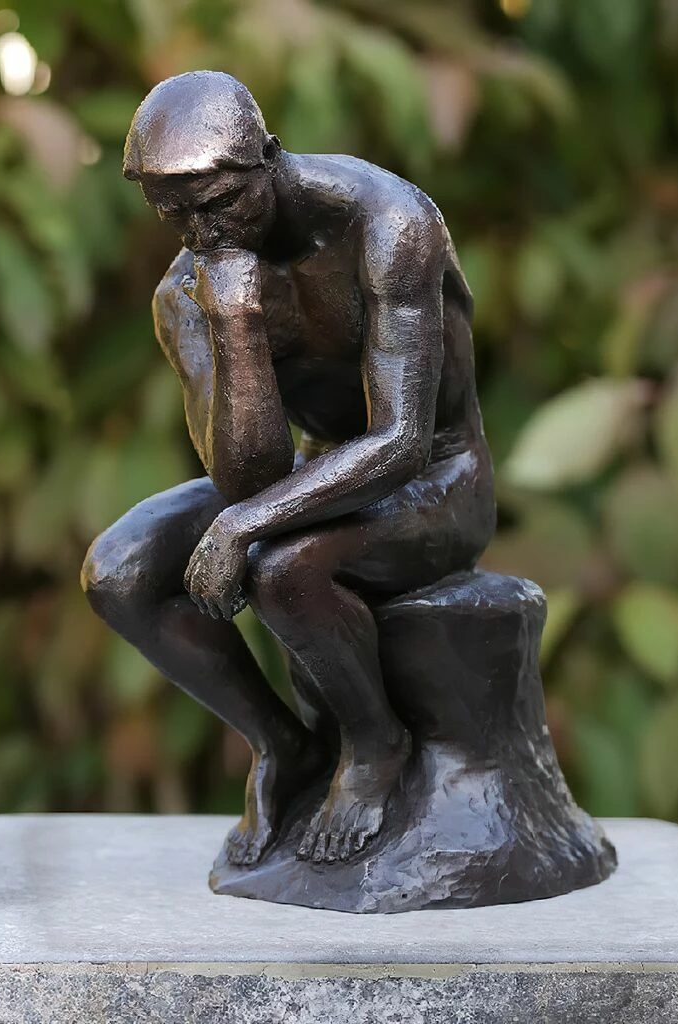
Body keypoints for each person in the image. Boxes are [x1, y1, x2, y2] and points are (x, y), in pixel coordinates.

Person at [82, 71, 495, 867]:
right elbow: (247, 478)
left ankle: (374, 744)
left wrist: (246, 525)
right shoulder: (189, 292)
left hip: (436, 481)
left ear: (269, 159)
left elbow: (403, 439)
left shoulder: (388, 223)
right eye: (174, 214)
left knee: (282, 568)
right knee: (118, 572)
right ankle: (282, 746)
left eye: (219, 203)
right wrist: (235, 322)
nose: (202, 232)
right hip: (305, 480)